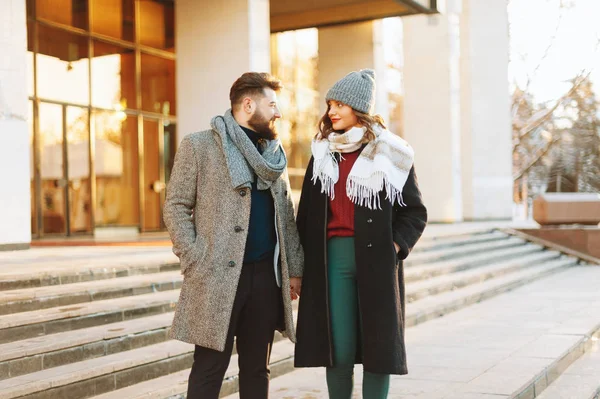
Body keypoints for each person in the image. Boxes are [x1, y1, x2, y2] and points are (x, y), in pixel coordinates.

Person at [163, 72, 304, 399]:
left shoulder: (273, 155)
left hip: (266, 280)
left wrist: (294, 269)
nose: (278, 113)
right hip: (216, 277)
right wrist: (193, 256)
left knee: (257, 369)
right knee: (209, 368)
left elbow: (286, 215)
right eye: (272, 105)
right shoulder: (199, 146)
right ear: (248, 103)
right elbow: (176, 205)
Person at [294, 69, 427, 398]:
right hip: (332, 258)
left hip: (378, 259)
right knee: (337, 347)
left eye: (339, 104)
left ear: (359, 109)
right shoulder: (323, 154)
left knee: (378, 348)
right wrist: (297, 267)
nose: (331, 112)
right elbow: (306, 214)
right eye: (329, 105)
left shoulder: (392, 153)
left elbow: (415, 211)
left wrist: (394, 247)